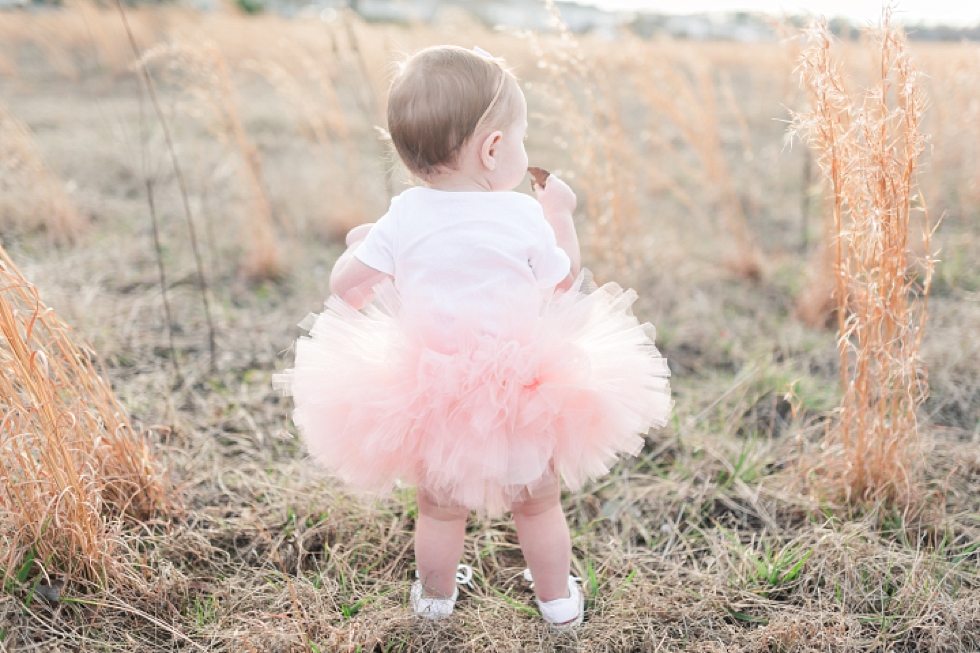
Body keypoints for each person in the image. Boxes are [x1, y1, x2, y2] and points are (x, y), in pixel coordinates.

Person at [274, 45, 671, 630]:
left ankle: (434, 601)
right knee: (537, 503)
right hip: (523, 386)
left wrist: (367, 245)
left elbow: (346, 288)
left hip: (429, 388)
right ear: (493, 149)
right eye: (522, 137)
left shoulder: (402, 215)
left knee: (438, 510)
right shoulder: (522, 216)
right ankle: (557, 602)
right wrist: (559, 214)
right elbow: (562, 283)